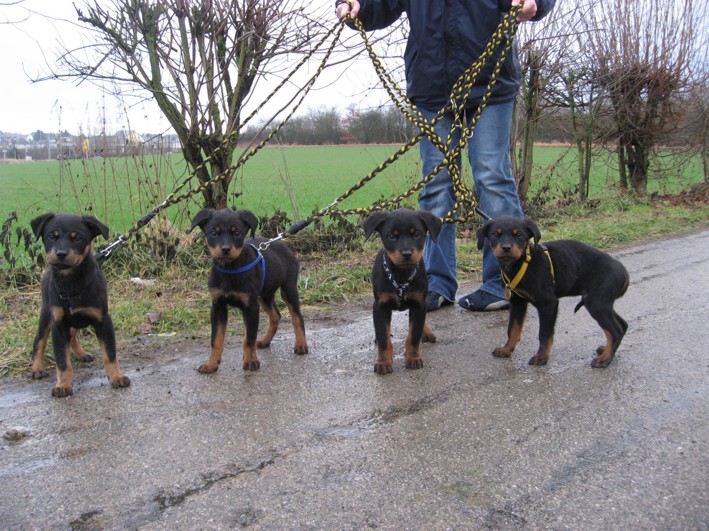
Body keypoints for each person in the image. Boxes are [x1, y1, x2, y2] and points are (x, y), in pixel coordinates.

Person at [336, 0, 556, 311]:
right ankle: (435, 282)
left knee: (491, 175)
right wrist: (355, 5)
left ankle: (504, 282)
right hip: (431, 83)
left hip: (490, 79)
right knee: (436, 183)